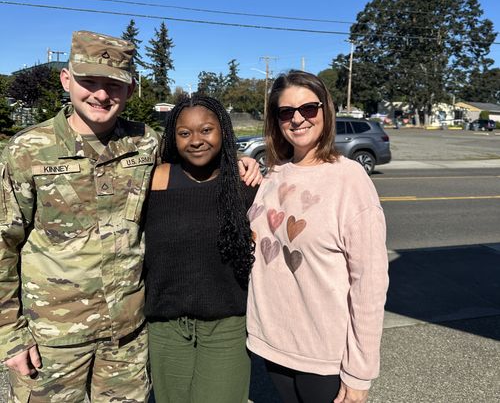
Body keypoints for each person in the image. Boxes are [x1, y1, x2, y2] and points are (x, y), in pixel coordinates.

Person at [0, 29, 261, 402]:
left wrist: (238, 163)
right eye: (89, 81)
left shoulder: (146, 143)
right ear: (66, 79)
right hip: (53, 339)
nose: (101, 94)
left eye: (114, 84)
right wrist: (10, 336)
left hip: (127, 338)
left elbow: (193, 169)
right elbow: (3, 243)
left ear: (130, 87)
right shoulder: (27, 150)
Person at [246, 70, 389, 403]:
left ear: (326, 110)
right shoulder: (274, 172)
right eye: (286, 112)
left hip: (324, 356)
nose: (298, 119)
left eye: (308, 108)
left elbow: (369, 284)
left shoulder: (349, 179)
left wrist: (360, 373)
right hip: (272, 343)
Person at [143, 95, 257, 403]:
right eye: (184, 133)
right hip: (166, 327)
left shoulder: (246, 184)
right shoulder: (156, 180)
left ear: (223, 131)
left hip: (227, 326)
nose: (196, 140)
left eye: (206, 130)